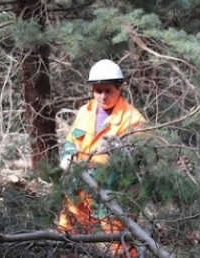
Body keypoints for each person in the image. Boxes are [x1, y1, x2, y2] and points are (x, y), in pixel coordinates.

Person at [58, 59, 147, 257]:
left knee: (118, 244)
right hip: (78, 188)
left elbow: (133, 161)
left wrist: (112, 155)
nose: (102, 96)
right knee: (65, 237)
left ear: (119, 88)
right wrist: (67, 155)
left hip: (114, 192)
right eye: (98, 90)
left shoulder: (134, 120)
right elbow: (72, 140)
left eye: (108, 91)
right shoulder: (85, 111)